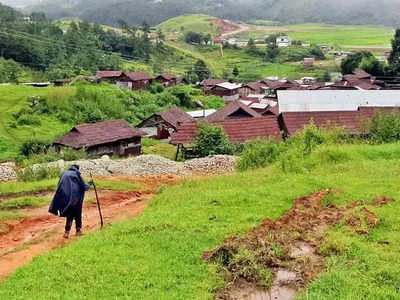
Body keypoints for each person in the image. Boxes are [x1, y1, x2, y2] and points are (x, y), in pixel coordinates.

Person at [49, 165, 92, 238]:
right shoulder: (76, 174)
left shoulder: (64, 173)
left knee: (70, 214)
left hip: (65, 197)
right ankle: (78, 231)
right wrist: (90, 184)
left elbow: (59, 185)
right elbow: (84, 185)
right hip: (75, 198)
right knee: (77, 213)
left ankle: (67, 232)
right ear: (77, 169)